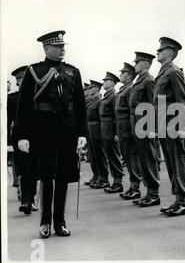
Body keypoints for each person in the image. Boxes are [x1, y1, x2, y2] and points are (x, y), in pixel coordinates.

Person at [15, 30, 87, 238]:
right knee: (48, 177)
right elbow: (24, 106)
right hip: (43, 130)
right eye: (58, 47)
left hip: (67, 130)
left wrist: (82, 133)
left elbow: (80, 105)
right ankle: (45, 221)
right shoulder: (34, 71)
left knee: (63, 177)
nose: (62, 50)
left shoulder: (73, 72)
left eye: (64, 46)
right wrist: (22, 136)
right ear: (47, 49)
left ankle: (60, 222)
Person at [154, 37, 185, 216]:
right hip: (163, 123)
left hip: (173, 123)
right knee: (169, 162)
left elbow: (183, 100)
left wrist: (182, 127)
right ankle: (177, 199)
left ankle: (183, 201)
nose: (157, 53)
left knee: (178, 160)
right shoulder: (163, 72)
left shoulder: (174, 72)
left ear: (169, 53)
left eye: (160, 50)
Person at [130, 52, 161, 207]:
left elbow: (152, 105)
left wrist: (152, 128)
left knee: (149, 158)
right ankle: (149, 192)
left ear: (146, 64)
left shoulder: (148, 80)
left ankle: (154, 194)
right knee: (143, 158)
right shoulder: (139, 80)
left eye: (137, 62)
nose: (134, 65)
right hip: (137, 122)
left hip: (144, 123)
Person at [10, 66, 39, 214]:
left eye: (24, 78)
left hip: (38, 137)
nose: (22, 82)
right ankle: (26, 201)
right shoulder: (13, 98)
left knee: (34, 169)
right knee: (25, 169)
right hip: (19, 137)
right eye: (20, 80)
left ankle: (31, 199)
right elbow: (7, 121)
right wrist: (8, 143)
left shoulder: (39, 95)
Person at [116, 63, 143, 200]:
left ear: (130, 75)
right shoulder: (123, 89)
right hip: (122, 127)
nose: (120, 75)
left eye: (123, 73)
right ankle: (132, 186)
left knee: (132, 157)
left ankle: (135, 187)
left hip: (127, 125)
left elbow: (131, 109)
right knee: (127, 156)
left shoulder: (130, 89)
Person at [99, 72, 124, 193]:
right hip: (105, 128)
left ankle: (118, 182)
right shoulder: (107, 95)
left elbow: (116, 116)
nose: (103, 82)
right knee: (110, 155)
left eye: (106, 81)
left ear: (112, 83)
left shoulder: (113, 96)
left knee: (114, 156)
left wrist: (116, 133)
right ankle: (115, 181)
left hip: (110, 129)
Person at [86, 80, 110, 189]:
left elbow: (101, 117)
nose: (90, 89)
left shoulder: (99, 101)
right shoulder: (91, 101)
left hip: (97, 128)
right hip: (90, 128)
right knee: (93, 154)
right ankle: (97, 175)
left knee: (99, 154)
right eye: (89, 88)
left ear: (97, 89)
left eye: (92, 88)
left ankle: (103, 177)